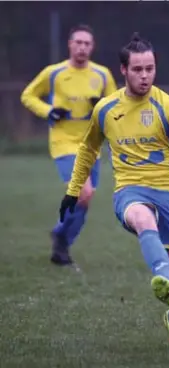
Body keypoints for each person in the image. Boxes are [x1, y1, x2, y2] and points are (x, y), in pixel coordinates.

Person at [58, 32, 169, 353]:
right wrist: (73, 191)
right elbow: (88, 149)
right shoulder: (106, 109)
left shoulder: (164, 104)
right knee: (143, 218)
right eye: (138, 69)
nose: (145, 76)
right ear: (124, 71)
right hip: (130, 189)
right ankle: (162, 279)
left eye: (150, 69)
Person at [21, 24, 117, 266]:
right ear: (70, 45)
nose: (82, 47)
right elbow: (28, 95)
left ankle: (62, 240)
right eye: (78, 42)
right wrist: (49, 110)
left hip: (91, 143)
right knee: (82, 192)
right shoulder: (54, 73)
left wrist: (102, 104)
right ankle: (62, 237)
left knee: (86, 198)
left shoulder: (102, 74)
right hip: (63, 141)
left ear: (92, 47)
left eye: (87, 43)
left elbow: (117, 105)